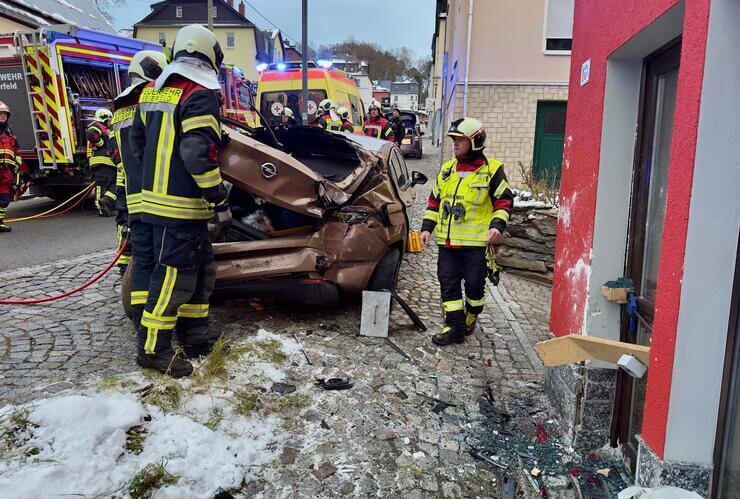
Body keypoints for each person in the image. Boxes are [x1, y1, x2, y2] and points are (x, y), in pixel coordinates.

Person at [130, 24, 232, 377]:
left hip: (154, 204)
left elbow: (138, 146)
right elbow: (198, 154)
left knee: (200, 271)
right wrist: (218, 197)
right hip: (181, 207)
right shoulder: (199, 93)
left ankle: (195, 338)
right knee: (175, 277)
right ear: (210, 57)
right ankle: (153, 349)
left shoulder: (154, 93)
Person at [420, 117, 513, 346]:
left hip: (475, 245)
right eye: (454, 140)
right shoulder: (446, 170)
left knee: (474, 287)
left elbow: (504, 201)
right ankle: (453, 326)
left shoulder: (492, 170)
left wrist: (497, 226)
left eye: (460, 140)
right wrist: (426, 229)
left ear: (476, 141)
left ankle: (471, 315)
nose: (455, 144)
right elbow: (434, 201)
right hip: (448, 244)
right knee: (448, 284)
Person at [112, 50, 168, 298]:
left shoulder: (120, 108)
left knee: (142, 262)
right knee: (163, 262)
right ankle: (162, 316)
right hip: (159, 199)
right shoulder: (152, 102)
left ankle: (139, 317)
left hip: (135, 201)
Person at [87, 108, 118, 217]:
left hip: (108, 162)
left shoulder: (105, 128)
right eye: (109, 119)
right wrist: (100, 144)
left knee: (112, 185)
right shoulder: (97, 125)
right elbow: (90, 134)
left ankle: (106, 202)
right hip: (101, 162)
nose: (110, 122)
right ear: (104, 118)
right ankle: (102, 208)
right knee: (101, 186)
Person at [0, 101, 22, 233]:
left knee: (4, 198)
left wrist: (16, 165)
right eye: (0, 114)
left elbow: (16, 151)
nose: (2, 116)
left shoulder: (9, 134)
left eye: (4, 114)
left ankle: (0, 222)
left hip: (5, 171)